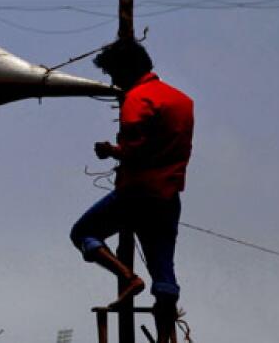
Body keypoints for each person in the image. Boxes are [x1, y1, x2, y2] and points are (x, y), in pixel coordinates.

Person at [69, 38, 193, 343]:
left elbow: (136, 150)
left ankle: (127, 277)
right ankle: (165, 338)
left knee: (83, 233)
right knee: (163, 270)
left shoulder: (136, 100)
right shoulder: (182, 101)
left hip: (136, 192)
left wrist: (111, 150)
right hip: (168, 196)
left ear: (125, 70)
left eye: (114, 75)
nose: (114, 82)